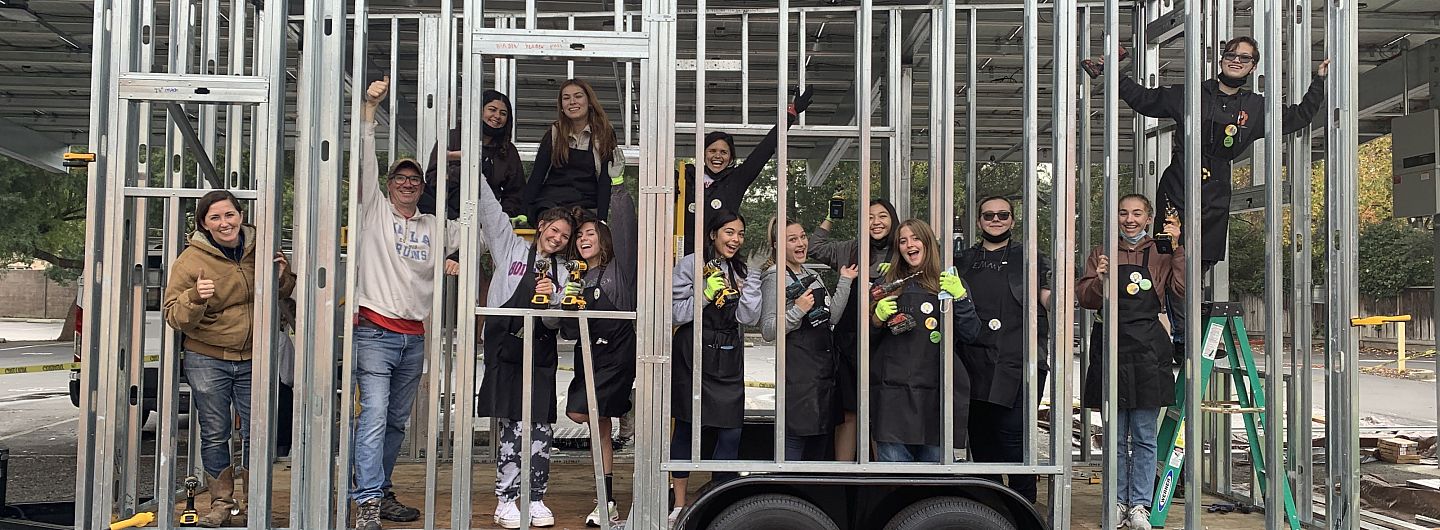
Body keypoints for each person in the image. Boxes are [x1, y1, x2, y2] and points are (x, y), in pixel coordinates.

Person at [1088, 37, 1328, 351]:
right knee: (1170, 258)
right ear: (1222, 59)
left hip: (1215, 193)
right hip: (1178, 185)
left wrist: (1319, 81)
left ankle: (1185, 335)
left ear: (1253, 66)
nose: (1236, 60)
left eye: (1245, 58)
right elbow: (1143, 99)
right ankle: (1181, 338)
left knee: (1197, 265)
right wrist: (1114, 72)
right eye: (1232, 55)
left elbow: (1298, 117)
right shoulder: (1190, 94)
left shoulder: (1257, 107)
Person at [348, 77, 461, 530]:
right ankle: (367, 502)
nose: (408, 184)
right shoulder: (373, 211)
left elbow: (481, 228)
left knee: (396, 422)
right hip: (374, 332)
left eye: (415, 179)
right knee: (375, 416)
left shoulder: (435, 226)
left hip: (414, 338)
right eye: (401, 178)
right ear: (389, 184)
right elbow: (364, 162)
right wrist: (369, 111)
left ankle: (378, 489)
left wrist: (459, 261)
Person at [162, 190, 296, 528]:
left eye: (229, 215)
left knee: (258, 432)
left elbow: (282, 293)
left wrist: (283, 277)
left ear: (240, 216)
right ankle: (221, 504)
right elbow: (174, 316)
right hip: (207, 357)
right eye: (215, 218)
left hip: (255, 357)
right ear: (204, 225)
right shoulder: (190, 261)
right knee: (215, 433)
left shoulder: (261, 249)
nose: (224, 223)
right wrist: (195, 297)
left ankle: (255, 506)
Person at [474, 163, 579, 529]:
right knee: (513, 426)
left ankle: (535, 497)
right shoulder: (511, 250)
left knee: (540, 427)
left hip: (541, 354)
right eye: (554, 230)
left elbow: (558, 324)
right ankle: (506, 499)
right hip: (506, 349)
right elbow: (490, 211)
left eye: (564, 236)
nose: (557, 238)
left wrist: (553, 301)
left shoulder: (565, 272)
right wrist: (475, 170)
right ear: (541, 226)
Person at [1078, 194, 1186, 530]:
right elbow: (1085, 298)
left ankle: (1139, 504)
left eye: (1137, 213)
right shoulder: (1102, 251)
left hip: (1147, 348)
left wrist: (1179, 249)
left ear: (1148, 218)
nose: (1130, 219)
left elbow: (1183, 290)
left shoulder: (1162, 251)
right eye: (1123, 213)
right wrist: (1099, 280)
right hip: (1110, 345)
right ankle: (1115, 502)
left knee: (1143, 434)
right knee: (1113, 434)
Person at [955, 196, 1053, 503]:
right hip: (973, 361)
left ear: (1012, 219)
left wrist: (1065, 295)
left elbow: (1050, 298)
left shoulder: (1032, 258)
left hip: (1019, 361)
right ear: (979, 221)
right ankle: (992, 506)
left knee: (1014, 439)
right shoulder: (962, 260)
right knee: (981, 440)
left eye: (1002, 214)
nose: (995, 220)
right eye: (988, 215)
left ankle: (1024, 505)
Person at [669, 210, 763, 525]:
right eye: (729, 232)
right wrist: (705, 295)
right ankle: (679, 504)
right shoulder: (691, 264)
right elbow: (673, 313)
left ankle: (718, 501)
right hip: (693, 353)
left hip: (728, 354)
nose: (735, 239)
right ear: (713, 234)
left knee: (731, 431)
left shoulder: (742, 270)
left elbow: (749, 317)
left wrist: (754, 279)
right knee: (686, 427)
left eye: (740, 234)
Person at [555, 182, 638, 527]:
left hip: (617, 354)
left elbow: (625, 227)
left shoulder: (620, 268)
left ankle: (624, 404)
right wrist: (568, 304)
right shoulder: (576, 276)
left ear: (604, 239)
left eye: (590, 233)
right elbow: (567, 331)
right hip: (587, 356)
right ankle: (606, 502)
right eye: (579, 236)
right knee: (592, 422)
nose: (583, 239)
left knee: (587, 412)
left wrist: (617, 188)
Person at [869, 219, 980, 462]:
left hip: (937, 395)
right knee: (895, 476)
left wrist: (961, 298)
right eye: (903, 241)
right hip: (893, 397)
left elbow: (970, 334)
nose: (909, 245)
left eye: (915, 238)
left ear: (928, 243)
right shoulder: (885, 285)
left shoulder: (949, 283)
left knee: (935, 477)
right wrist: (876, 319)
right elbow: (863, 342)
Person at [804, 198, 901, 460]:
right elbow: (814, 247)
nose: (876, 222)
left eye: (882, 216)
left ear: (893, 220)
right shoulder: (852, 249)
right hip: (850, 345)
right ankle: (843, 473)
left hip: (888, 344)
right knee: (849, 412)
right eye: (869, 217)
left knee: (881, 413)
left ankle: (882, 474)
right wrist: (831, 217)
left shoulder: (901, 250)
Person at [759, 218, 856, 461]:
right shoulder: (774, 277)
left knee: (820, 442)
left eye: (802, 236)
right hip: (798, 377)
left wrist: (845, 280)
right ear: (777, 245)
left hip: (823, 373)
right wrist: (797, 311)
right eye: (792, 239)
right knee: (795, 441)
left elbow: (832, 316)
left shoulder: (812, 274)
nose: (801, 243)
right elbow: (768, 330)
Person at [675, 87, 813, 254]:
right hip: (682, 257)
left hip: (720, 258)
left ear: (731, 157)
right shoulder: (686, 177)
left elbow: (764, 150)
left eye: (723, 152)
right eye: (712, 151)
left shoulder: (736, 180)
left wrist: (791, 114)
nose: (717, 156)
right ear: (703, 154)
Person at [521, 79, 622, 222]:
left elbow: (605, 181)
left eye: (578, 96)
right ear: (561, 106)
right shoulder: (554, 132)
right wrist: (524, 213)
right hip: (550, 204)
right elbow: (537, 176)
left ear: (589, 101)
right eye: (566, 98)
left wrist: (602, 220)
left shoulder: (604, 133)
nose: (572, 102)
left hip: (586, 206)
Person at [421, 89, 527, 222]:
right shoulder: (452, 138)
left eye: (503, 113)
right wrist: (467, 170)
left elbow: (515, 192)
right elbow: (432, 178)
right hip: (446, 216)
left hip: (487, 218)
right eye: (492, 110)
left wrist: (501, 217)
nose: (497, 116)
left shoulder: (508, 150)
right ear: (479, 110)